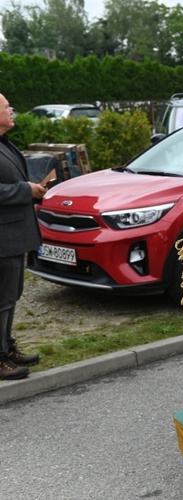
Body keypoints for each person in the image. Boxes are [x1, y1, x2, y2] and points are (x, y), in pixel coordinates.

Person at [0, 92, 43, 380]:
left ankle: (7, 347)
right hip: (3, 238)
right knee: (2, 299)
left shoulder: (5, 144)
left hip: (14, 235)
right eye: (7, 107)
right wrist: (27, 191)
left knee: (11, 297)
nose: (12, 111)